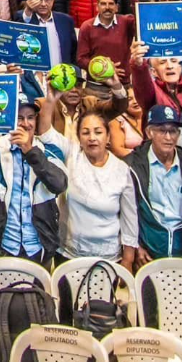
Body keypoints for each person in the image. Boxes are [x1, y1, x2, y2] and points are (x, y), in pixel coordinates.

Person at [0, 97, 69, 266]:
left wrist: (30, 151)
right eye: (19, 118)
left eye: (30, 117)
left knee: (40, 293)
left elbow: (59, 184)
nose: (25, 124)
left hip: (39, 249)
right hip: (3, 247)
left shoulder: (50, 152)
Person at [41, 109, 138, 271]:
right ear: (79, 138)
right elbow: (46, 134)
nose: (92, 138)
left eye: (98, 132)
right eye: (85, 133)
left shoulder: (121, 170)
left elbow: (130, 218)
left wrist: (128, 259)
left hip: (108, 257)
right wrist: (51, 101)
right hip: (69, 254)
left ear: (108, 137)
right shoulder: (71, 156)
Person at [126, 105, 182, 268]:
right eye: (162, 130)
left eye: (173, 131)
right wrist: (135, 245)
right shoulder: (132, 166)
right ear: (149, 132)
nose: (168, 137)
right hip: (148, 255)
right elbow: (126, 212)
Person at [75, 0, 136, 79]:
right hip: (96, 86)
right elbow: (81, 59)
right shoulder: (87, 27)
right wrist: (105, 69)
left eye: (111, 4)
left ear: (117, 7)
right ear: (97, 7)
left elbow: (143, 20)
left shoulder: (126, 22)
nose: (107, 7)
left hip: (123, 83)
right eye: (103, 4)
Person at [16, 0, 78, 66]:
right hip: (35, 75)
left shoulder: (65, 21)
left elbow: (74, 51)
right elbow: (21, 24)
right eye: (39, 0)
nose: (43, 4)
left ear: (52, 1)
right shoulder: (25, 18)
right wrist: (28, 10)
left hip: (61, 74)